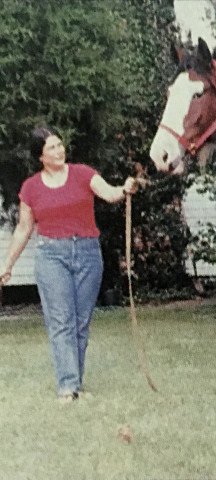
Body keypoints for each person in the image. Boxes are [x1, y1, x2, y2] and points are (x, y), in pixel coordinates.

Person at [0, 126, 137, 403]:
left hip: (87, 253)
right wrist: (7, 265)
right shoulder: (31, 188)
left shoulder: (83, 173)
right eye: (51, 147)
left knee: (80, 323)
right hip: (51, 256)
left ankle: (75, 383)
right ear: (40, 156)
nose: (59, 151)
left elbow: (109, 193)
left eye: (60, 145)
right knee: (61, 321)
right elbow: (23, 229)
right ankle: (67, 386)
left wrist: (124, 189)